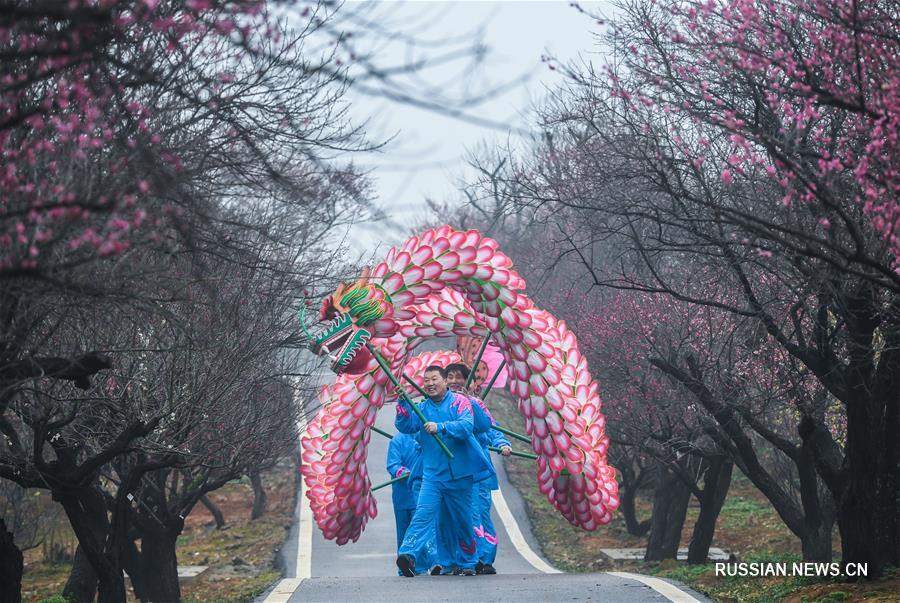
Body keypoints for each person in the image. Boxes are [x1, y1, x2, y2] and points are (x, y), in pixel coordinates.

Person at [394, 365, 493, 577]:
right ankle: (408, 555)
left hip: (461, 476)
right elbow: (405, 426)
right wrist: (402, 403)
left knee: (463, 521)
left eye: (434, 379)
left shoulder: (460, 402)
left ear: (444, 381)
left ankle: (468, 561)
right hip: (432, 477)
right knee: (424, 515)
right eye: (426, 380)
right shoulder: (421, 408)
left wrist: (441, 427)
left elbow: (467, 426)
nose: (430, 384)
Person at [445, 362, 511, 575]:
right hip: (452, 471)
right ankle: (461, 559)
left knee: (479, 513)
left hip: (478, 471)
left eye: (460, 377)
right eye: (450, 377)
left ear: (472, 383)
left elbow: (491, 429)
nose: (454, 381)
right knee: (456, 516)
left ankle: (484, 558)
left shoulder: (477, 404)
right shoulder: (440, 405)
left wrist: (502, 443)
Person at [385, 432, 431, 575]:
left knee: (420, 530)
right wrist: (403, 472)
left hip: (423, 493)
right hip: (403, 495)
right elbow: (392, 464)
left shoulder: (428, 436)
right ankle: (405, 566)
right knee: (403, 532)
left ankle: (421, 566)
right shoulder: (397, 441)